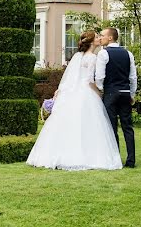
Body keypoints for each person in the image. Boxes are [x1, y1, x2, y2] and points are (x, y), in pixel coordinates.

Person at [26, 30, 123, 171]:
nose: (99, 39)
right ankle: (87, 155)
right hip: (87, 93)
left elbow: (70, 78)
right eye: (96, 37)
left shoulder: (78, 56)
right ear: (90, 42)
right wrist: (99, 92)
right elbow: (90, 81)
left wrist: (60, 91)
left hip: (73, 93)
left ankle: (61, 154)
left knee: (70, 124)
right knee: (90, 126)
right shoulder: (93, 58)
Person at [95, 27, 138, 168]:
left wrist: (100, 90)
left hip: (111, 94)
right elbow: (133, 77)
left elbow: (100, 77)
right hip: (125, 93)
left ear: (110, 38)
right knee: (128, 127)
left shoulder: (103, 54)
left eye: (102, 35)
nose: (100, 37)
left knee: (111, 127)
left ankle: (116, 158)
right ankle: (131, 160)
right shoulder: (128, 53)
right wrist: (132, 94)